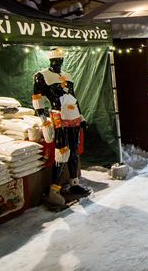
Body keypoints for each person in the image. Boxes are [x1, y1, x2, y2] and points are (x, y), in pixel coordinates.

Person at [33, 48, 91, 206]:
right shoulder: (42, 76)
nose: (58, 63)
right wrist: (44, 120)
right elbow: (37, 100)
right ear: (50, 61)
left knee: (73, 151)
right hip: (58, 117)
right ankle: (54, 190)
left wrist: (82, 117)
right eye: (55, 60)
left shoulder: (68, 76)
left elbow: (74, 98)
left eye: (60, 60)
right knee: (62, 152)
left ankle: (74, 183)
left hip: (73, 118)